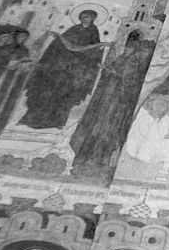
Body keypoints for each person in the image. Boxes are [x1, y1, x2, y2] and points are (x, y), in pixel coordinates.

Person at [69, 30, 156, 177]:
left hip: (117, 103)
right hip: (107, 99)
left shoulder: (135, 59)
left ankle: (100, 161)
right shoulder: (123, 56)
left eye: (132, 44)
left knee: (107, 130)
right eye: (128, 43)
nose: (129, 46)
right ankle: (85, 159)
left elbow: (130, 78)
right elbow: (115, 70)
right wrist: (107, 69)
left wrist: (112, 71)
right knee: (96, 128)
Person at [19, 9, 110, 130]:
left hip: (73, 70)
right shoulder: (74, 29)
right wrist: (58, 38)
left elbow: (92, 49)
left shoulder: (93, 31)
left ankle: (57, 121)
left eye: (87, 17)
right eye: (83, 16)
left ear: (93, 18)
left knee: (65, 95)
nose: (84, 19)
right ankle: (30, 119)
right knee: (45, 90)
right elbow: (63, 43)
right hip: (60, 66)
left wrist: (99, 48)